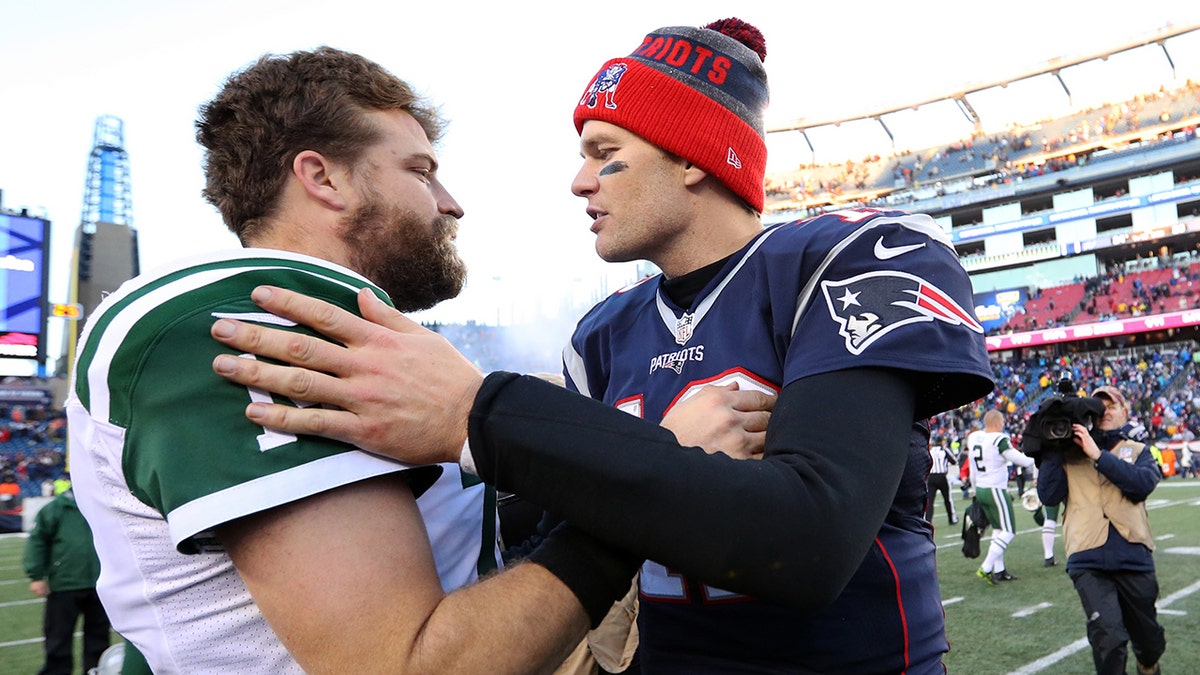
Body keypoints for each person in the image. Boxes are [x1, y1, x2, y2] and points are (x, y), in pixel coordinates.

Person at [207, 18, 994, 673]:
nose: (580, 181)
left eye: (605, 151)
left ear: (693, 156)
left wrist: (477, 414)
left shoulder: (854, 255)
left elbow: (810, 541)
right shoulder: (602, 333)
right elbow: (546, 540)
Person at [66, 46, 767, 674]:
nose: (451, 204)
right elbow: (406, 665)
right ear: (324, 179)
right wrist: (649, 486)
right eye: (421, 172)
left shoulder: (359, 328)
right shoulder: (235, 316)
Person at [1037, 385, 1166, 675]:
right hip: (1087, 557)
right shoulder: (1070, 451)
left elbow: (1141, 485)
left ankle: (1148, 665)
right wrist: (1053, 447)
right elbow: (1049, 496)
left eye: (1111, 405)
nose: (1104, 411)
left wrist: (1098, 455)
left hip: (1134, 554)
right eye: (1098, 406)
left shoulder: (1139, 450)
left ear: (1124, 411)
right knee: (1108, 639)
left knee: (1149, 643)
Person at [23, 487, 111, 675]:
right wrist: (36, 576)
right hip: (64, 584)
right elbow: (37, 541)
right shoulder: (55, 509)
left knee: (99, 637)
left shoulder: (101, 505)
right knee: (58, 637)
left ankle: (96, 670)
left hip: (100, 583)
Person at [967, 408, 1036, 583]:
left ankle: (999, 570)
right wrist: (1037, 457)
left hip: (981, 488)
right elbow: (1022, 460)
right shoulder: (999, 439)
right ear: (998, 423)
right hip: (995, 489)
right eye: (1003, 423)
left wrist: (975, 490)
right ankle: (986, 567)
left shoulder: (975, 438)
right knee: (1009, 531)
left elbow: (973, 470)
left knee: (998, 529)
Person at [926, 435, 959, 525]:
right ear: (941, 442)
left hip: (931, 477)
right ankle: (952, 519)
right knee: (947, 499)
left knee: (930, 500)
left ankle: (928, 521)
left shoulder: (930, 450)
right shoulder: (944, 450)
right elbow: (954, 461)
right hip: (942, 477)